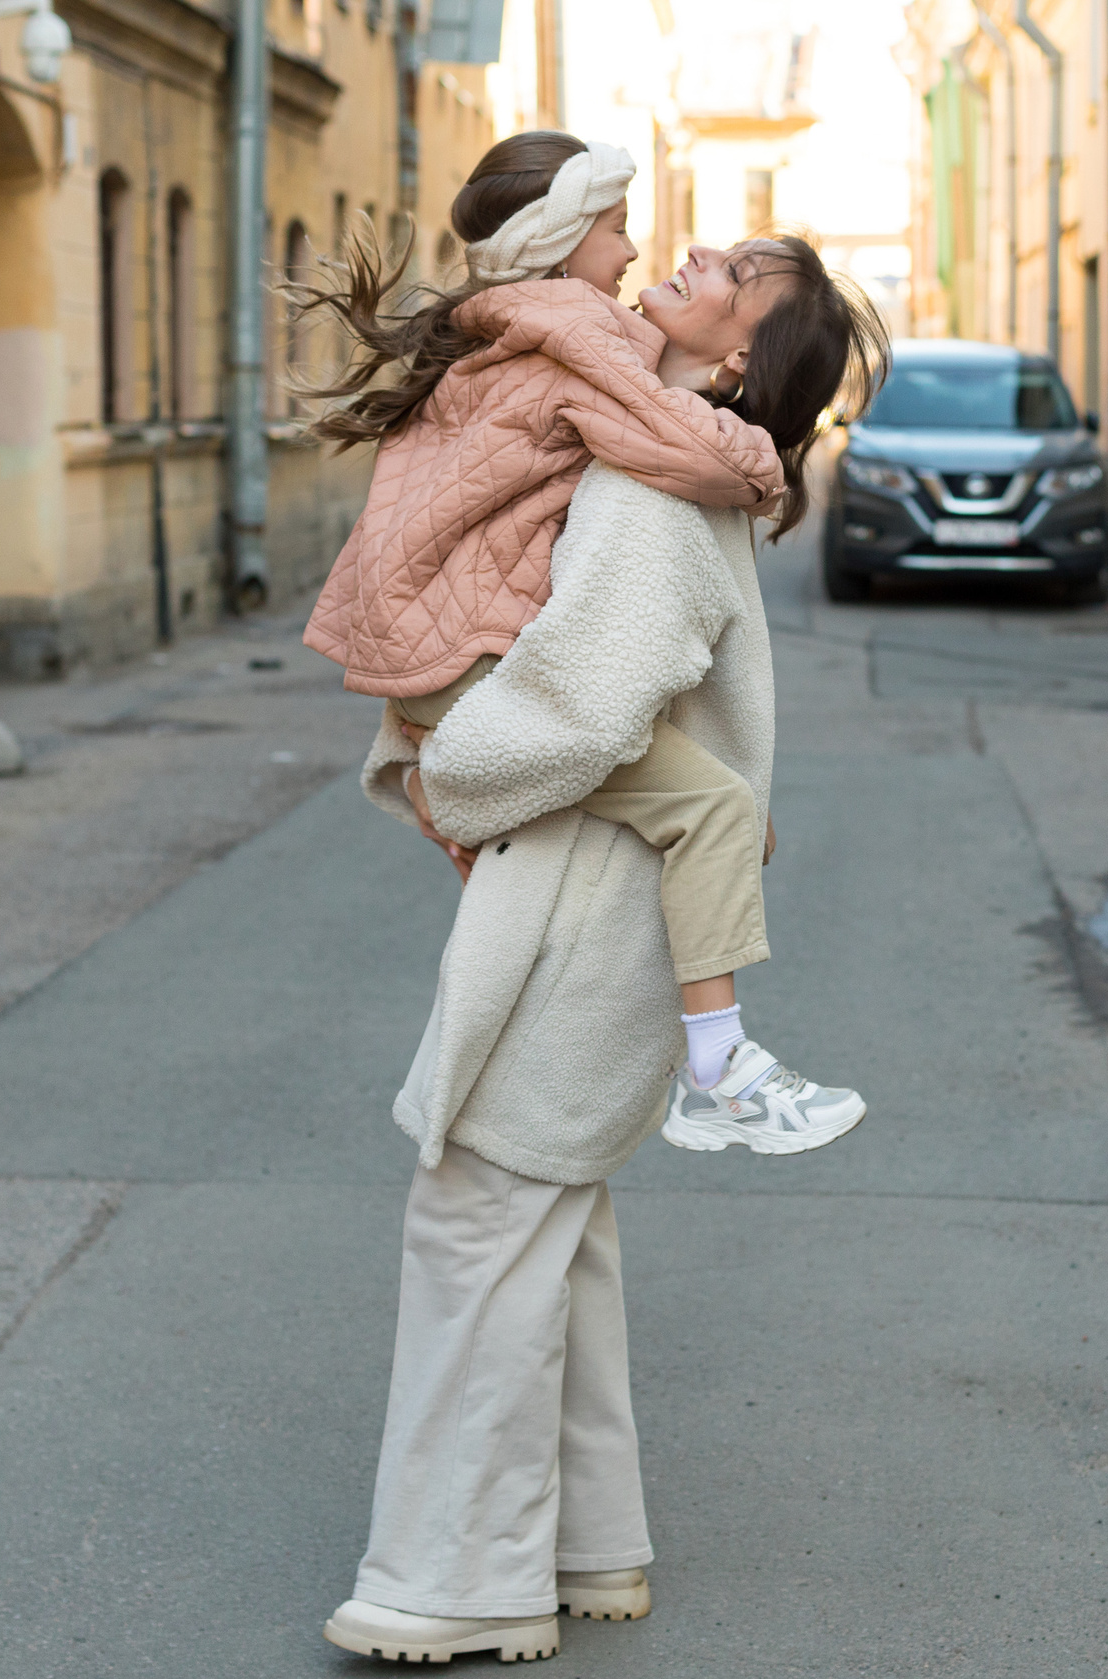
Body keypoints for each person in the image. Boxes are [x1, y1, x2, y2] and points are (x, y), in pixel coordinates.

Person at [316, 230, 890, 1662]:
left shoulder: (647, 476)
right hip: (607, 900)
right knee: (551, 1223)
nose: (692, 248)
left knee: (482, 1223)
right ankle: (585, 1544)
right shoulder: (672, 453)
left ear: (741, 353)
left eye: (733, 267)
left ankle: (456, 1580)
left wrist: (438, 766)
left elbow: (582, 708)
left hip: (585, 907)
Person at [295, 131, 864, 1152]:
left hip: (447, 644)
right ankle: (718, 1065)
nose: (654, 250)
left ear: (737, 352)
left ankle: (707, 1051)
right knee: (714, 811)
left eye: (729, 271)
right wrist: (766, 467)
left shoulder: (566, 332)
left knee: (708, 819)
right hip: (464, 659)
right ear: (564, 240)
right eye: (615, 230)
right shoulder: (586, 345)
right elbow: (681, 456)